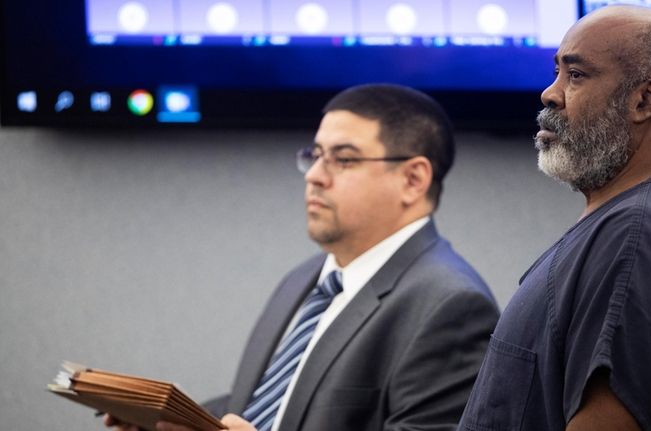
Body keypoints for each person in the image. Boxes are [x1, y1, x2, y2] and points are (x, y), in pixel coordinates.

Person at [105, 84, 499, 431]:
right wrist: (171, 422)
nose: (314, 176)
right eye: (315, 154)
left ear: (413, 180)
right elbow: (275, 409)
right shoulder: (308, 278)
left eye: (343, 159)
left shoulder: (452, 306)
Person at [458, 5, 651, 431]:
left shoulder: (639, 233)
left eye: (576, 75)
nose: (550, 93)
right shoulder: (637, 221)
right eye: (557, 73)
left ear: (644, 100)